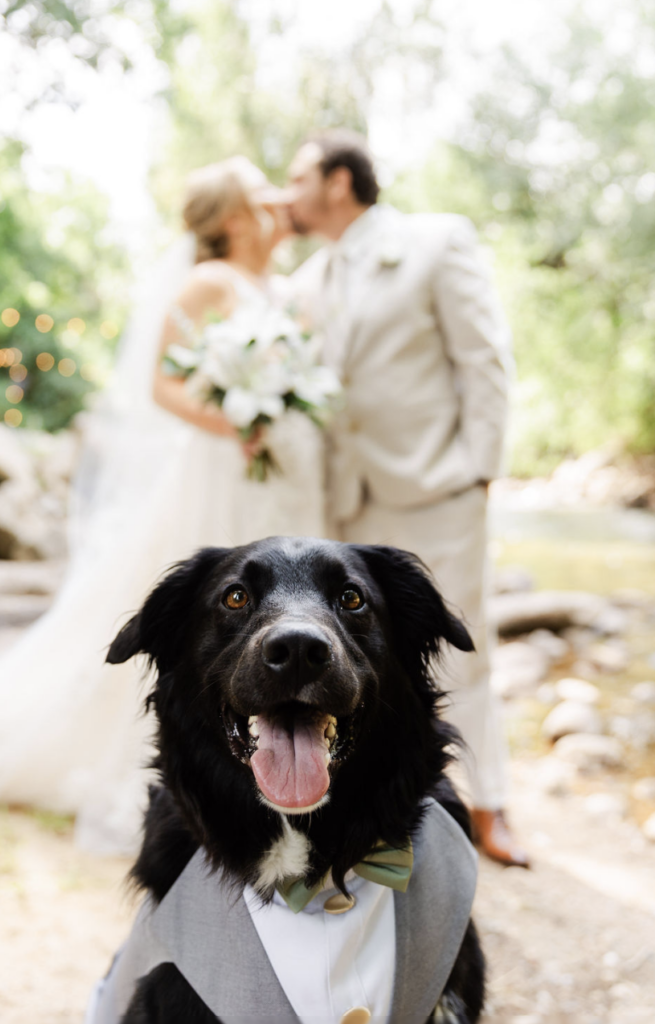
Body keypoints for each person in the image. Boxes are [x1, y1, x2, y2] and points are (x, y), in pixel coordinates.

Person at [0, 157, 326, 855]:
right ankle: (179, 759)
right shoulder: (208, 281)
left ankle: (274, 751)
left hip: (278, 476)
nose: (275, 200)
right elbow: (161, 386)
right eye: (260, 194)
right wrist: (239, 422)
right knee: (212, 611)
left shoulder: (281, 284)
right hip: (219, 469)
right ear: (236, 216)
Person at [287, 129, 529, 867]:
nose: (284, 191)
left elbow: (482, 358)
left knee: (462, 646)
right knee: (367, 661)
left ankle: (488, 805)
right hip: (344, 507)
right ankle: (391, 809)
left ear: (337, 180)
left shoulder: (434, 243)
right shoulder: (305, 280)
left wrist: (476, 471)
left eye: (297, 177)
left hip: (435, 487)